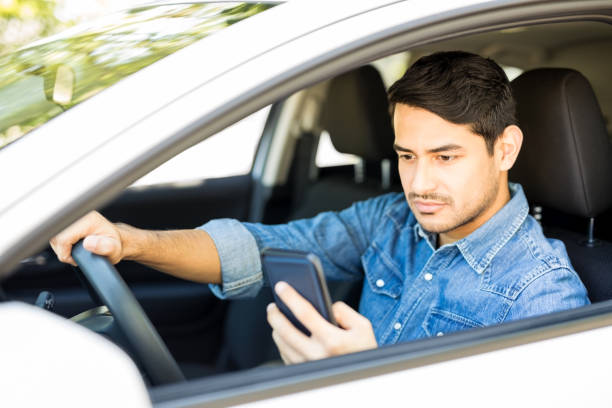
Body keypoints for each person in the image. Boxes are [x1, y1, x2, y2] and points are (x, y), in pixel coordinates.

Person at [50, 51, 589, 365]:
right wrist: (130, 242)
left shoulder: (545, 295)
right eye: (406, 155)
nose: (419, 183)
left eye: (446, 157)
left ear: (506, 149)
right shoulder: (392, 220)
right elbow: (255, 251)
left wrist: (367, 380)